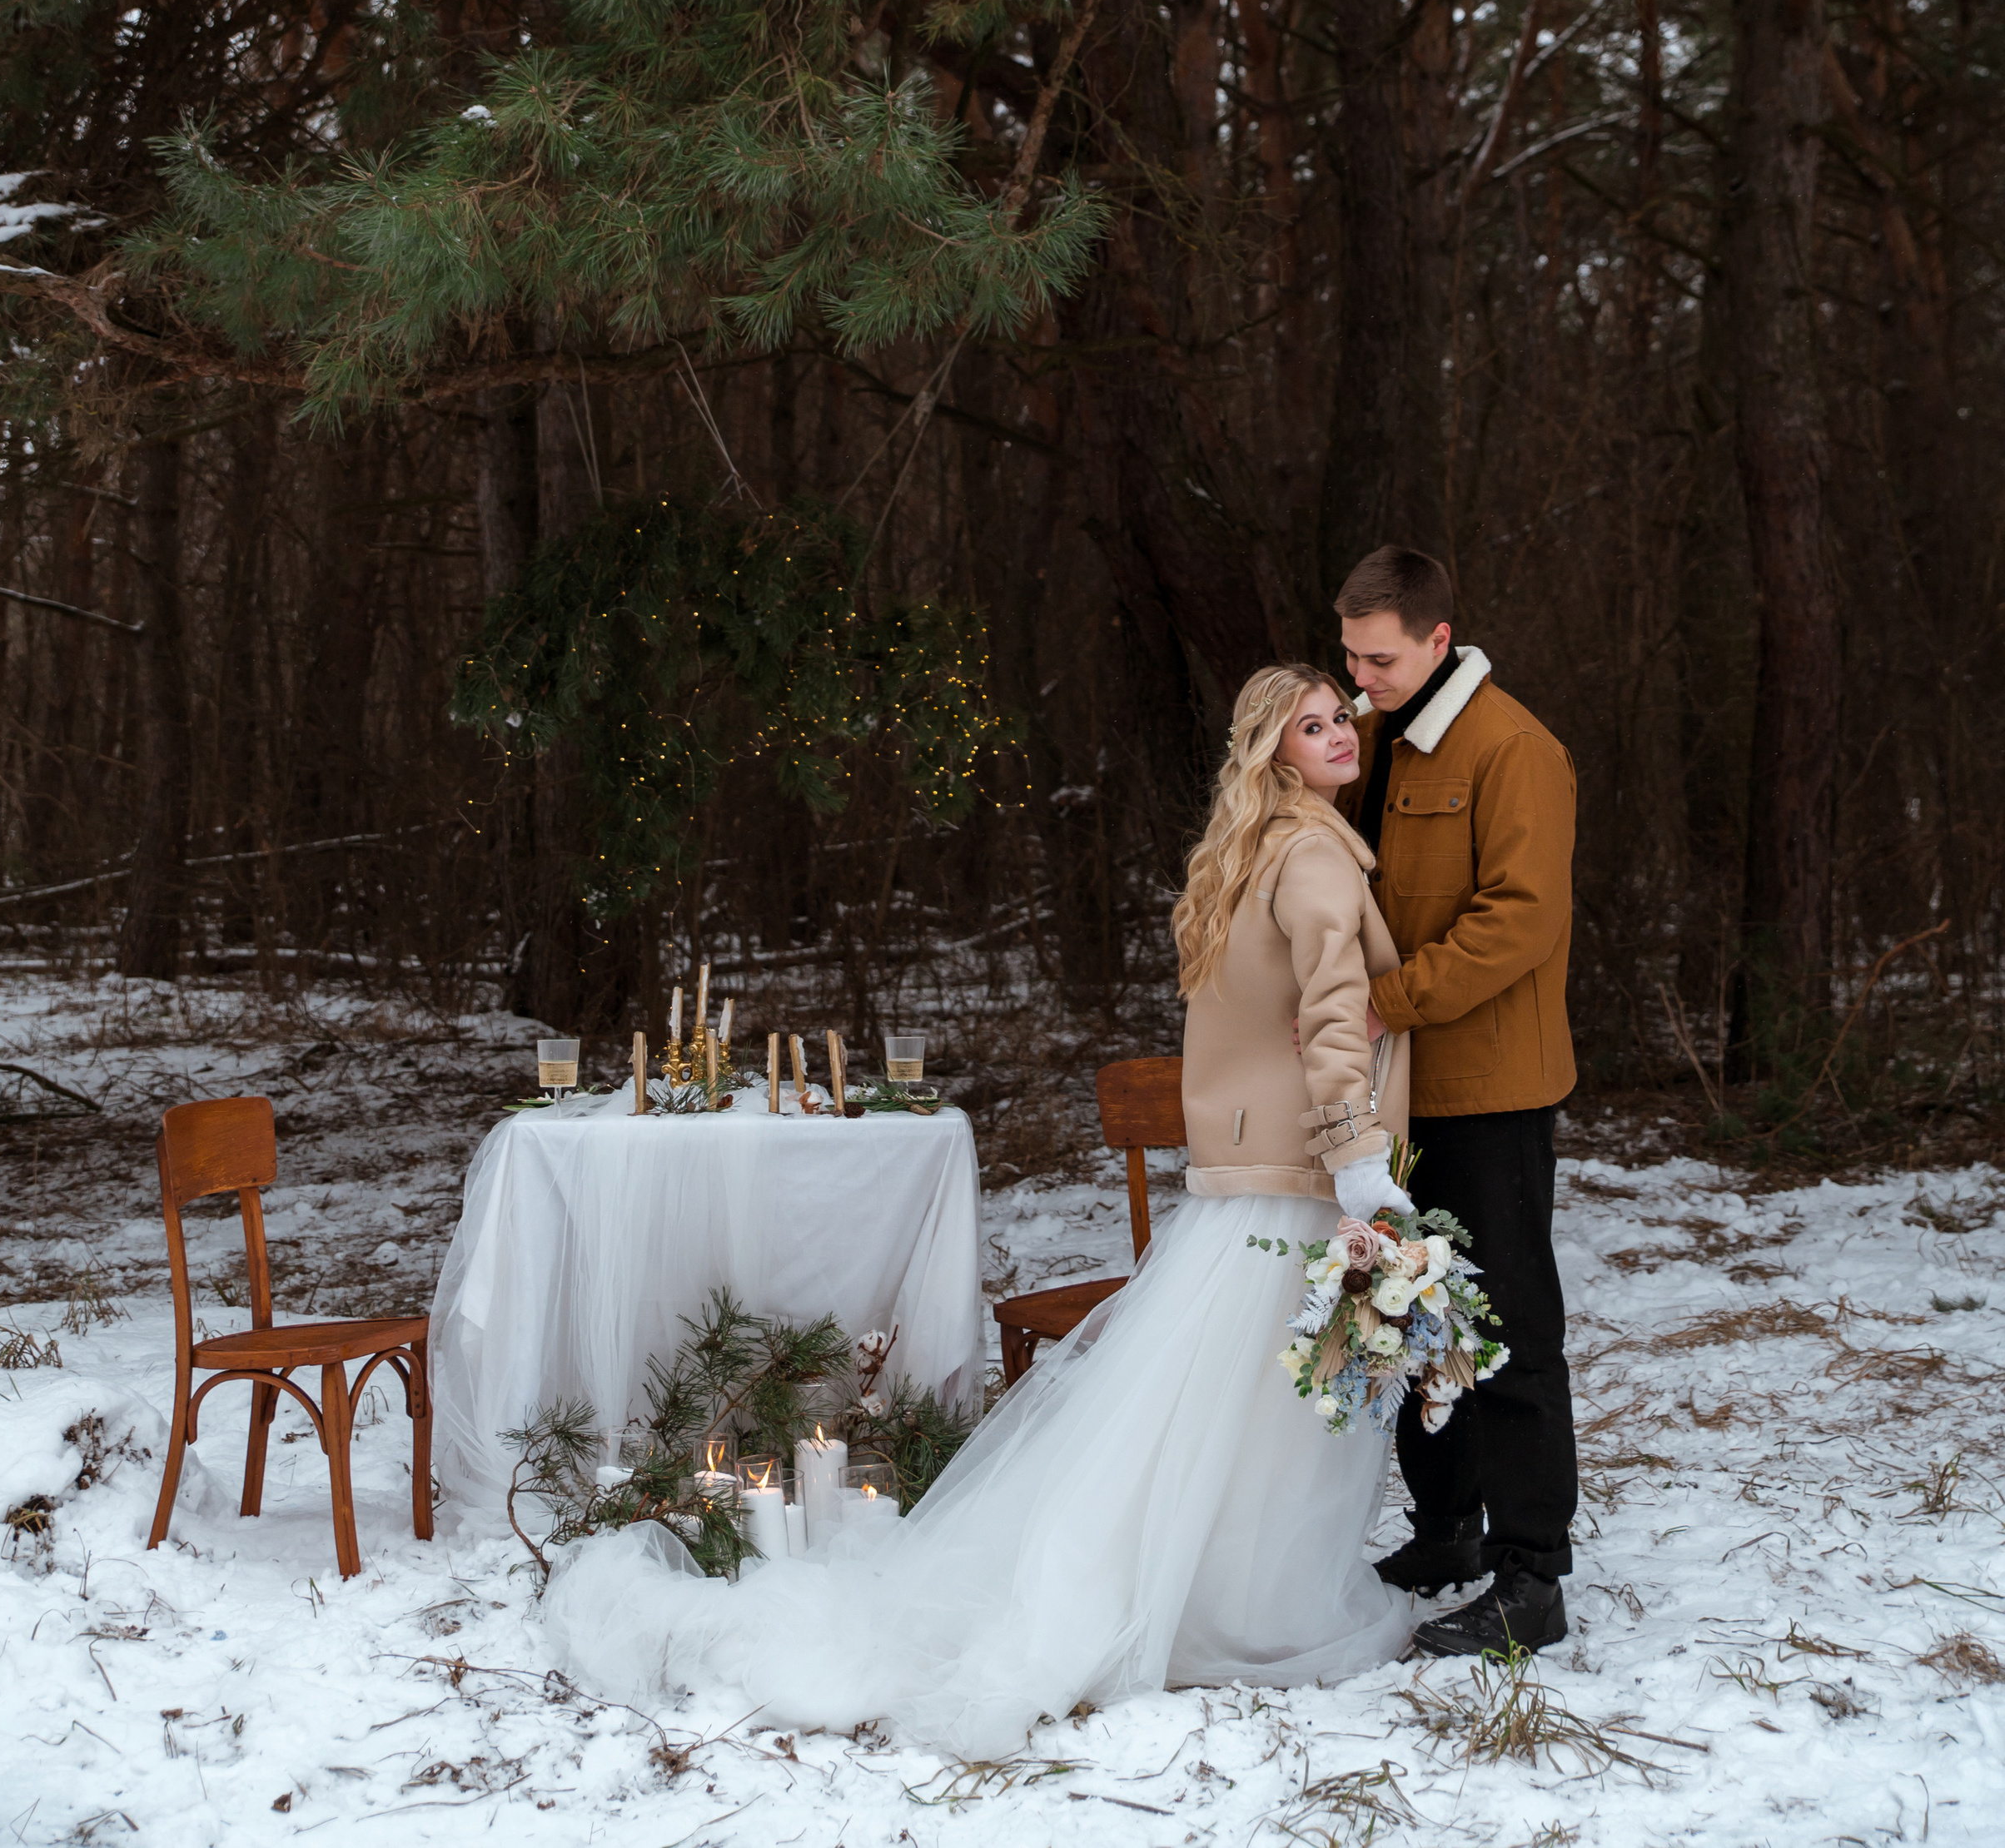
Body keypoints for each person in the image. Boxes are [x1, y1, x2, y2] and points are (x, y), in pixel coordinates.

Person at [536, 664, 1412, 1751]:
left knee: (1216, 1411)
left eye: (1342, 718)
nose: (1337, 735)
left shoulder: (1251, 854)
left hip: (1245, 1178)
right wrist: (1360, 1159)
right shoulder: (1319, 856)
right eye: (1310, 725)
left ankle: (1213, 1591)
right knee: (1273, 1411)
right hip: (1300, 1175)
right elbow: (1333, 1019)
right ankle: (1249, 1611)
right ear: (1272, 751)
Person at [1336, 543, 1579, 1658]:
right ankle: (1448, 1532)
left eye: (1379, 659)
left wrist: (1389, 1000)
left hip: (1489, 1086)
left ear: (1438, 642)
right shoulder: (1375, 736)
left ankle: (1533, 1579)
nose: (1359, 677)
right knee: (1412, 1315)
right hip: (1402, 1090)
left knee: (1510, 1330)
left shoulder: (1514, 748)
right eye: (1350, 655)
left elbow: (1521, 917)